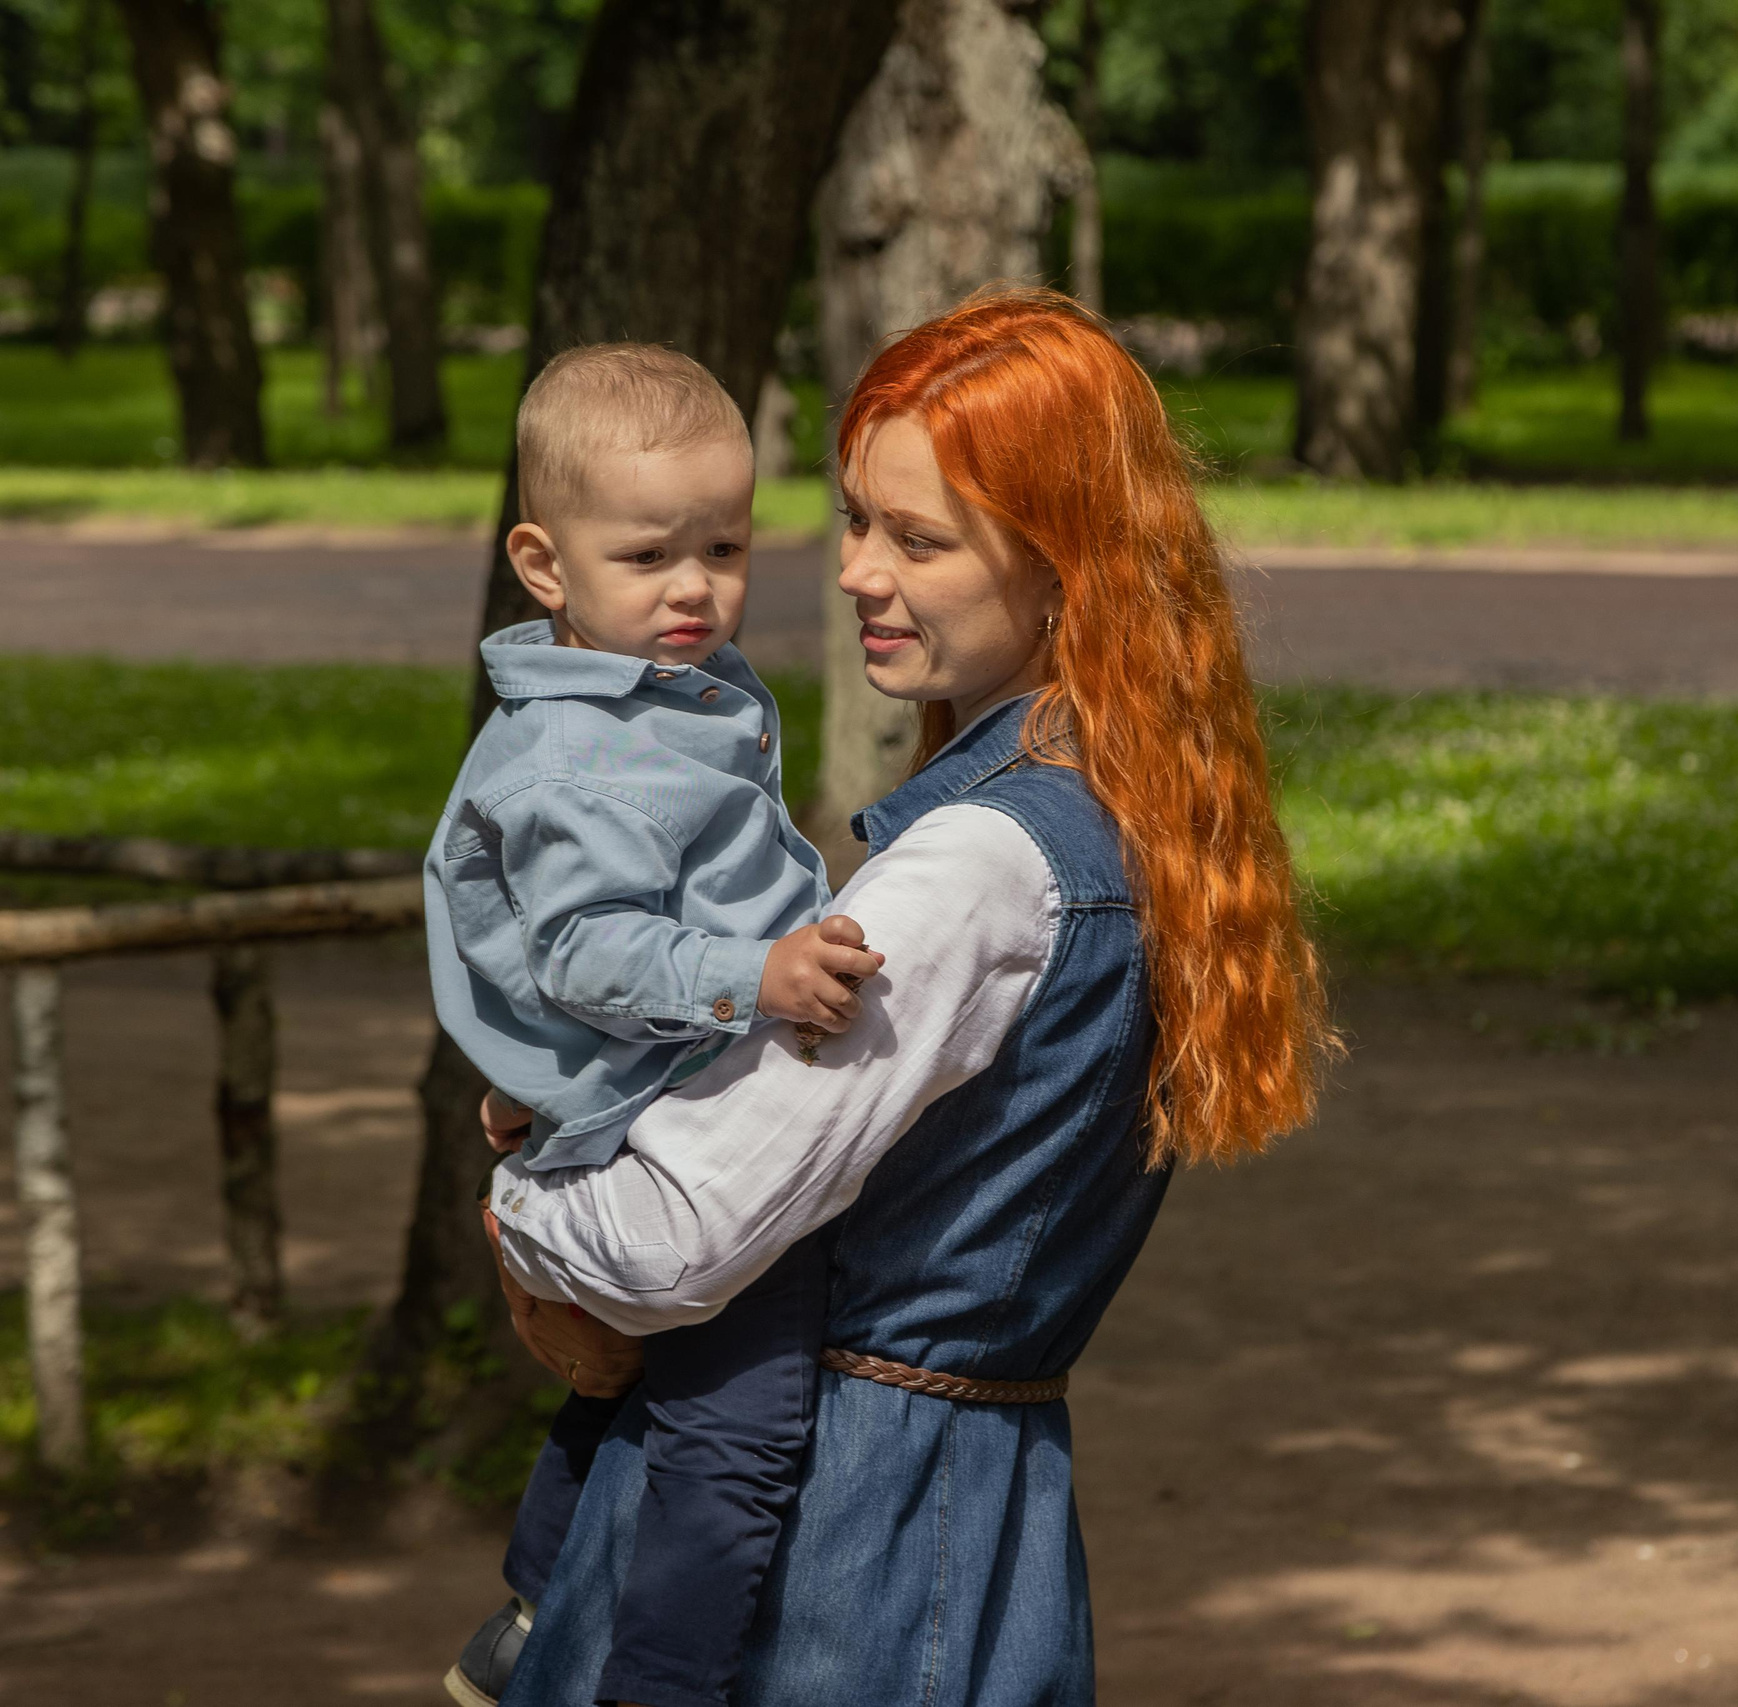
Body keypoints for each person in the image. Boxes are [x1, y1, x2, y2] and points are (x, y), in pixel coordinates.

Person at [481, 288, 1337, 1707]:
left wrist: (516, 1199)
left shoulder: (974, 872)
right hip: (974, 1516)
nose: (861, 573)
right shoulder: (1119, 822)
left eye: (920, 539)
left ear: (1070, 567)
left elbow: (669, 1242)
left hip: (828, 1554)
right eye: (857, 521)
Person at [424, 342, 887, 1707]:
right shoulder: (579, 758)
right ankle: (662, 1684)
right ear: (544, 563)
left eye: (725, 546)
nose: (695, 589)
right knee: (739, 1423)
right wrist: (761, 975)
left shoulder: (670, 684)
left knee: (641, 1384)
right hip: (654, 1096)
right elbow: (583, 951)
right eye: (649, 558)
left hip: (648, 1080)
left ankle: (529, 1607)